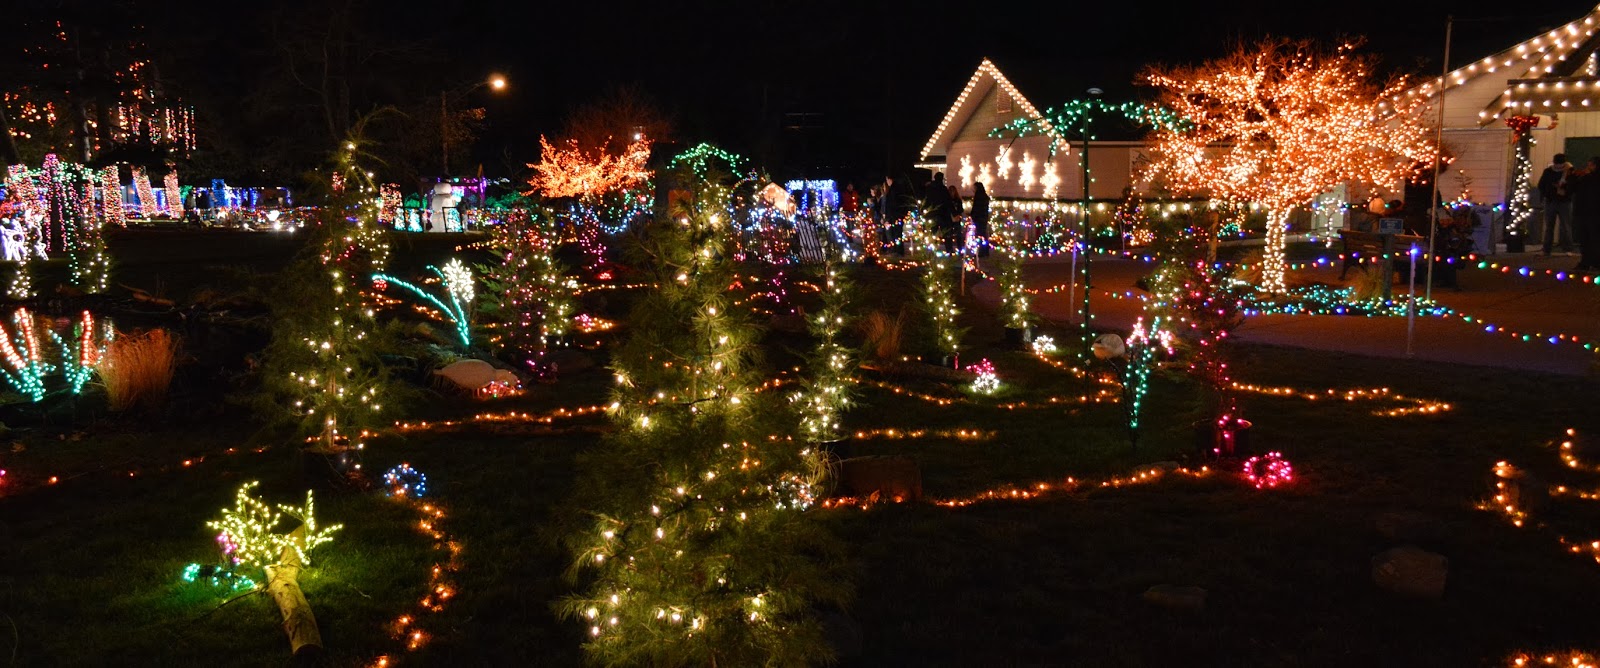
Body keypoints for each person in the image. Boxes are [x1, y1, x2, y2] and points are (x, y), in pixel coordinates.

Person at [1537, 153, 1577, 256]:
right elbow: (1541, 185)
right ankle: (1547, 249)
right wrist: (1551, 191)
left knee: (1565, 226)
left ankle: (1567, 248)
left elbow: (1574, 185)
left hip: (1563, 201)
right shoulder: (1548, 171)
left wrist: (1565, 191)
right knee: (1551, 226)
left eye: (1560, 164)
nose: (1558, 166)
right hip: (1553, 201)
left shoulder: (1569, 171)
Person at [1573, 157, 1600, 271]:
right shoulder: (1586, 178)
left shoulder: (1591, 178)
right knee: (1586, 238)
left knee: (1592, 238)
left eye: (1590, 165)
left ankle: (1591, 261)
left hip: (1593, 212)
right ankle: (1588, 261)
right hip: (1586, 212)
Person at [923, 172, 954, 253]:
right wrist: (954, 213)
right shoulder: (943, 189)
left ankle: (933, 249)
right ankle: (949, 250)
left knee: (933, 233)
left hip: (932, 214)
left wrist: (924, 211)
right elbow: (948, 202)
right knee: (946, 233)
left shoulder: (929, 188)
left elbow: (926, 201)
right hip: (943, 214)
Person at [971, 181, 992, 257]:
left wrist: (973, 215)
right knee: (983, 234)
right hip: (983, 217)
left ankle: (981, 252)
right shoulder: (984, 196)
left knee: (980, 234)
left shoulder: (978, 196)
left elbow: (976, 207)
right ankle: (985, 251)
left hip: (979, 218)